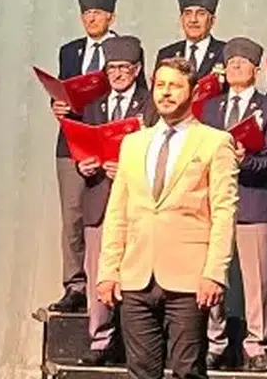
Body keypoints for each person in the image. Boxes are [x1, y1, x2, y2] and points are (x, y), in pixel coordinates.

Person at [96, 57, 240, 379]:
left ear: (194, 91)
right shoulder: (134, 143)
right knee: (140, 371)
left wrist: (214, 273)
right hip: (136, 274)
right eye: (160, 85)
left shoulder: (215, 142)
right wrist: (108, 271)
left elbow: (224, 212)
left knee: (187, 370)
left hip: (189, 277)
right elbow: (118, 211)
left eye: (174, 86)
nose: (165, 92)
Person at [198, 38, 267, 371]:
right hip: (213, 204)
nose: (235, 66)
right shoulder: (210, 108)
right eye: (231, 61)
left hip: (254, 201)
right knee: (212, 274)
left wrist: (246, 160)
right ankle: (215, 343)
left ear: (256, 70)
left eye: (243, 62)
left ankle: (258, 345)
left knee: (257, 280)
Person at [75, 36, 156, 366]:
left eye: (124, 67)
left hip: (138, 200)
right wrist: (83, 165)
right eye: (112, 68)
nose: (118, 74)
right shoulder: (94, 107)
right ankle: (100, 339)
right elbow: (82, 147)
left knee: (138, 271)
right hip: (100, 196)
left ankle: (138, 340)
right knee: (99, 271)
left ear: (137, 69)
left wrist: (128, 167)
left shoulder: (151, 105)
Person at [50, 0, 118, 314]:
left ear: (111, 17)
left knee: (111, 213)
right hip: (73, 141)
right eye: (87, 14)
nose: (91, 19)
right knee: (72, 215)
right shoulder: (69, 51)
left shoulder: (123, 49)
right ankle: (75, 285)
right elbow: (61, 89)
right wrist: (57, 105)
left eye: (98, 13)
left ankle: (108, 282)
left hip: (109, 139)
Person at [156, 0, 226, 83]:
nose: (193, 20)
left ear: (212, 21)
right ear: (181, 19)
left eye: (201, 13)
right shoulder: (167, 54)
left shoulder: (225, 52)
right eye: (188, 13)